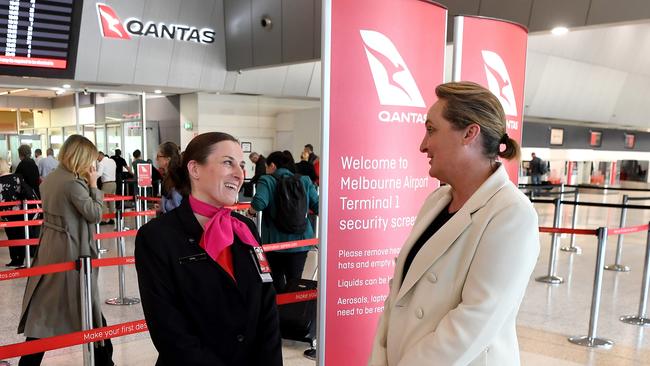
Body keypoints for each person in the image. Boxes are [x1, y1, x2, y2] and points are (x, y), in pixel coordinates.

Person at [368, 82, 540, 366]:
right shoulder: (437, 200)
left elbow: (473, 322)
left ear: (470, 133)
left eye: (432, 130)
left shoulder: (511, 214)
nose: (423, 145)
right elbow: (397, 297)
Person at [135, 132, 282, 365]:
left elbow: (267, 304)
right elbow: (169, 330)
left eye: (242, 165)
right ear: (195, 169)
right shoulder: (158, 237)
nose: (239, 174)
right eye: (227, 162)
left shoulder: (245, 228)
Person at [18, 135, 114, 366]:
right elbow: (95, 213)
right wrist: (93, 184)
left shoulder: (51, 179)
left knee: (47, 310)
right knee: (85, 310)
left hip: (52, 250)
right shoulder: (73, 183)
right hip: (72, 253)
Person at [249, 150, 319, 292]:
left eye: (268, 166)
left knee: (276, 281)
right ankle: (294, 312)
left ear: (273, 165)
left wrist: (250, 212)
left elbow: (259, 203)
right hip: (301, 242)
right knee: (295, 281)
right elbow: (318, 206)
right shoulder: (304, 180)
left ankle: (279, 312)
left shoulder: (267, 180)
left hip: (275, 243)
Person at [0, 158, 39, 267]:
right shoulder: (17, 177)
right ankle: (21, 259)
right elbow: (27, 193)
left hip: (6, 215)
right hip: (20, 212)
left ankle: (14, 259)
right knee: (21, 236)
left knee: (11, 236)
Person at [156, 141, 183, 214]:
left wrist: (163, 204)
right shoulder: (171, 175)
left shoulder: (176, 176)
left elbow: (177, 204)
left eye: (158, 156)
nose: (156, 159)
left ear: (167, 159)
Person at [96, 151, 116, 225]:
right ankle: (112, 219)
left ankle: (104, 219)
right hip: (114, 183)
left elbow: (99, 174)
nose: (97, 159)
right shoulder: (112, 161)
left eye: (97, 157)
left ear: (100, 155)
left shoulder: (101, 163)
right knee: (112, 202)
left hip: (107, 184)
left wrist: (92, 178)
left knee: (103, 201)